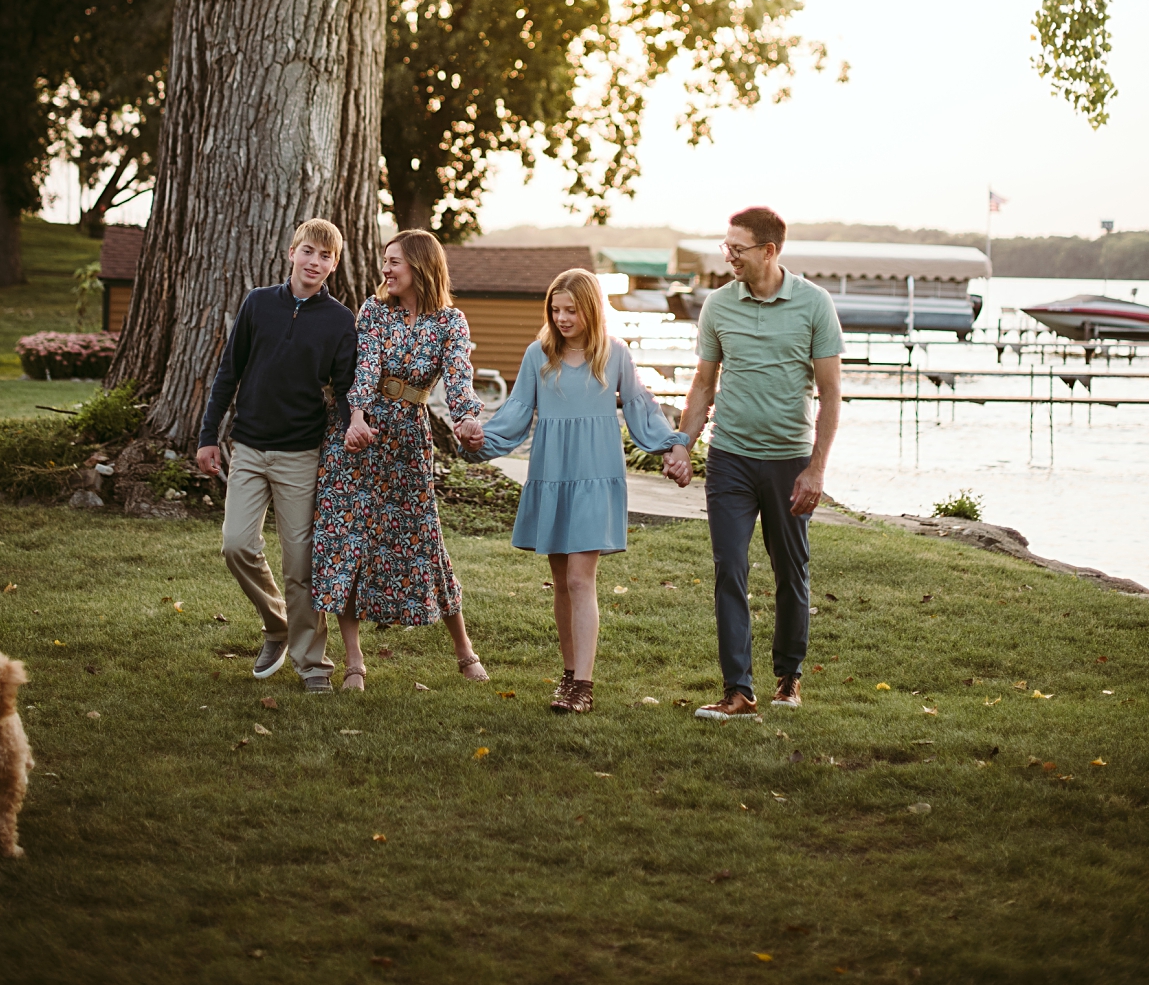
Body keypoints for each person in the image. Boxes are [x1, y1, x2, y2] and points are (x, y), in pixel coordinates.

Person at [463, 268, 692, 714]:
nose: (562, 318)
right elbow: (515, 413)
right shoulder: (538, 355)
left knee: (578, 578)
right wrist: (478, 442)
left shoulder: (615, 356)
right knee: (561, 586)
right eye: (555, 309)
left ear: (591, 309)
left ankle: (583, 685)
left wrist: (673, 444)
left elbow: (643, 409)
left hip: (595, 478)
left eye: (571, 310)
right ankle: (568, 677)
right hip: (552, 478)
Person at [679, 206, 843, 719]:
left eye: (738, 248)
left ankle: (789, 676)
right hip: (729, 459)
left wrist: (815, 470)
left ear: (768, 251)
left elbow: (832, 395)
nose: (728, 255)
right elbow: (703, 385)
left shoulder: (814, 304)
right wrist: (684, 443)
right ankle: (738, 690)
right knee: (730, 567)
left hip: (788, 463)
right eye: (725, 246)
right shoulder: (718, 306)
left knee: (790, 570)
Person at [311, 229, 487, 690]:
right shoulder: (374, 311)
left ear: (422, 267)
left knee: (424, 539)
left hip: (408, 440)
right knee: (348, 537)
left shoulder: (450, 321)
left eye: (395, 262)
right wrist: (355, 416)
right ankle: (354, 662)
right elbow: (364, 367)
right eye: (385, 261)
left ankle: (464, 651)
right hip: (357, 436)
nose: (386, 269)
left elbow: (459, 378)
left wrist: (468, 419)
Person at [196, 219, 358, 692]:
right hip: (247, 447)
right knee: (236, 544)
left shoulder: (340, 320)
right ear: (291, 252)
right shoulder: (258, 303)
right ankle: (276, 624)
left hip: (301, 454)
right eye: (308, 251)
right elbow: (229, 372)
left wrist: (355, 427)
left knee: (300, 562)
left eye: (326, 256)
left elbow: (346, 390)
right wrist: (210, 435)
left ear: (334, 264)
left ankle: (312, 665)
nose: (315, 262)